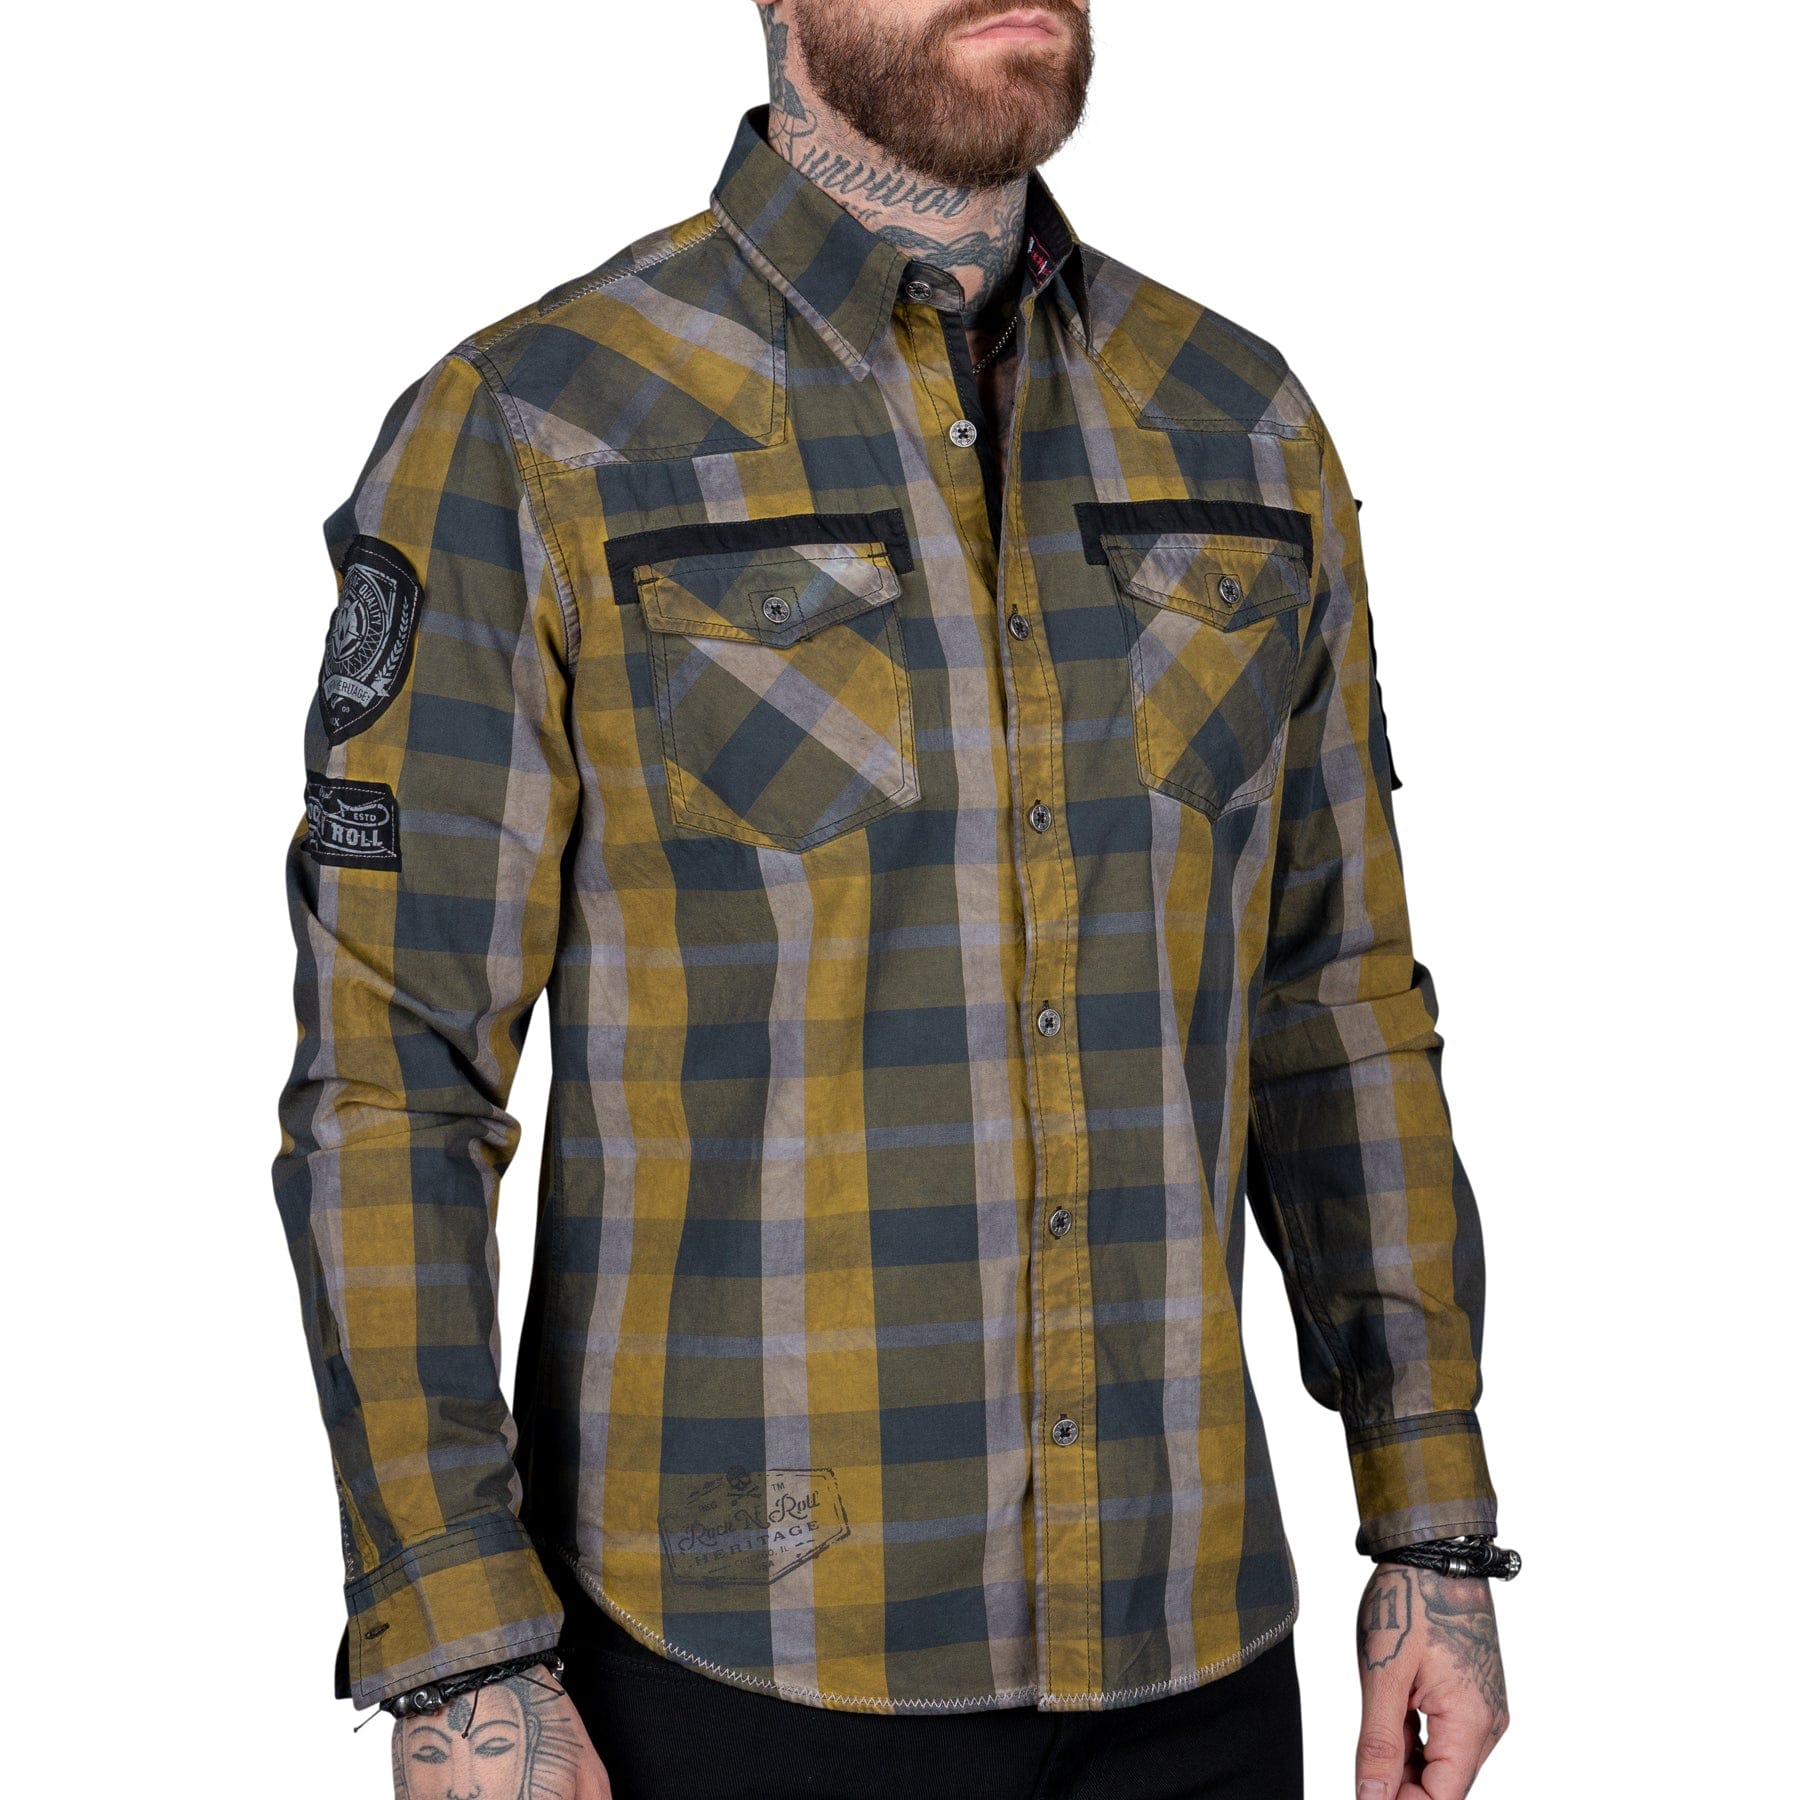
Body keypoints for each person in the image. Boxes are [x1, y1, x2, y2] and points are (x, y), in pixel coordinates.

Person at [272, 3, 1518, 1796]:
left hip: (1193, 1646)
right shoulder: (534, 429)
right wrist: (459, 1648)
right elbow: (395, 1080)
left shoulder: (1240, 419)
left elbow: (1334, 1001)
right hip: (728, 1666)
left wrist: (1430, 1520)